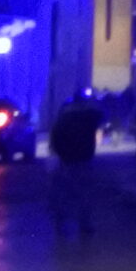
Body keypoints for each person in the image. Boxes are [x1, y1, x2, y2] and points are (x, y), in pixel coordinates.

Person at [49, 91, 105, 237]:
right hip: (84, 159)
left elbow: (55, 138)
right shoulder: (89, 117)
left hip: (66, 160)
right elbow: (102, 115)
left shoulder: (63, 117)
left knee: (63, 193)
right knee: (85, 192)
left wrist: (59, 153)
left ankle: (61, 223)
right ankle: (85, 224)